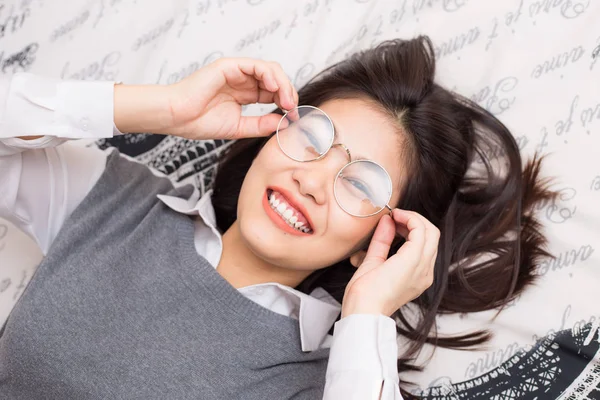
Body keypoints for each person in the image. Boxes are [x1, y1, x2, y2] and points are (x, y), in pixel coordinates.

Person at [0, 36, 554, 399]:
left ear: (381, 238)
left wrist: (368, 312)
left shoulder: (316, 381)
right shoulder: (117, 205)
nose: (311, 181)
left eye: (360, 183)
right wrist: (162, 107)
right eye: (312, 137)